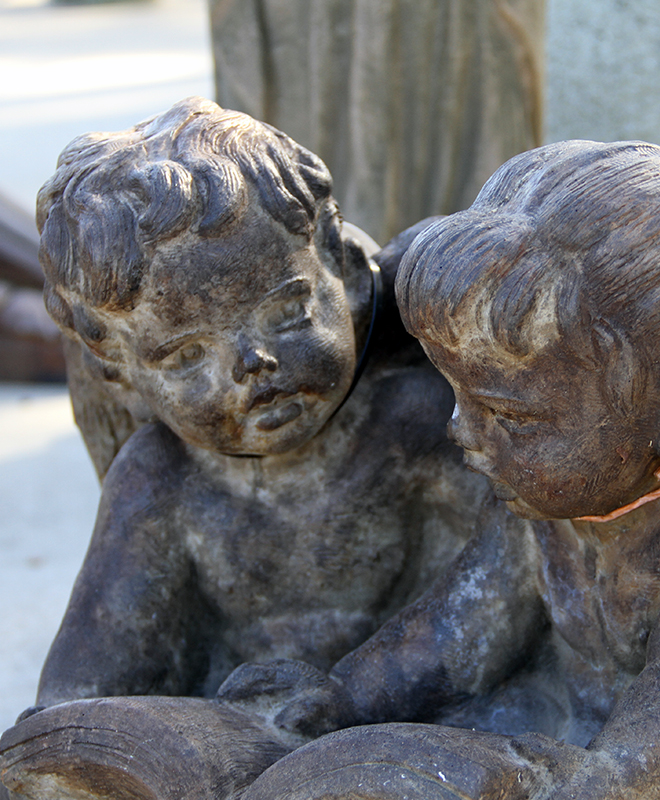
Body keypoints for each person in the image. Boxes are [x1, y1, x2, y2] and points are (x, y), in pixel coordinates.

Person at [239, 141, 660, 800]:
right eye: (459, 395)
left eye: (512, 416)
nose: (461, 431)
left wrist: (606, 775)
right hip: (564, 739)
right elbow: (457, 634)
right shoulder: (545, 502)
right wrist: (340, 697)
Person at [26, 96, 482, 723]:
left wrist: (359, 696)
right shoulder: (159, 482)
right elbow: (77, 698)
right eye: (187, 356)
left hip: (422, 724)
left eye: (287, 313)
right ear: (124, 377)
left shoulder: (417, 427)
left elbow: (516, 591)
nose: (252, 362)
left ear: (343, 271)